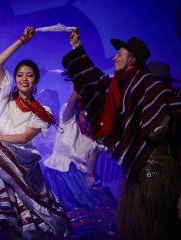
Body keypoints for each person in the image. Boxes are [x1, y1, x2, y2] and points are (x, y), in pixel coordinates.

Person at [61, 29, 181, 239]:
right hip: (136, 166)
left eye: (119, 54)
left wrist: (157, 128)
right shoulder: (121, 86)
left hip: (156, 165)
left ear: (132, 59)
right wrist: (77, 48)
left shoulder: (146, 83)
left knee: (157, 221)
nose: (114, 57)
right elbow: (95, 82)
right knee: (136, 223)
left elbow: (165, 113)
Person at [0, 26, 70, 240]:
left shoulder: (44, 111)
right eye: (20, 75)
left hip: (25, 163)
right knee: (4, 224)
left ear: (36, 81)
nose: (24, 79)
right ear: (14, 78)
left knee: (31, 229)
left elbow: (24, 138)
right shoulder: (4, 97)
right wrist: (22, 41)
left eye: (30, 75)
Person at [42, 90, 117, 238]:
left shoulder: (95, 137)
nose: (88, 118)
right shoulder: (69, 122)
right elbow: (71, 103)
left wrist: (89, 175)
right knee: (71, 206)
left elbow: (92, 159)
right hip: (59, 171)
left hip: (79, 174)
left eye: (93, 115)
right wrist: (79, 86)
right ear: (80, 111)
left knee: (94, 203)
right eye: (85, 113)